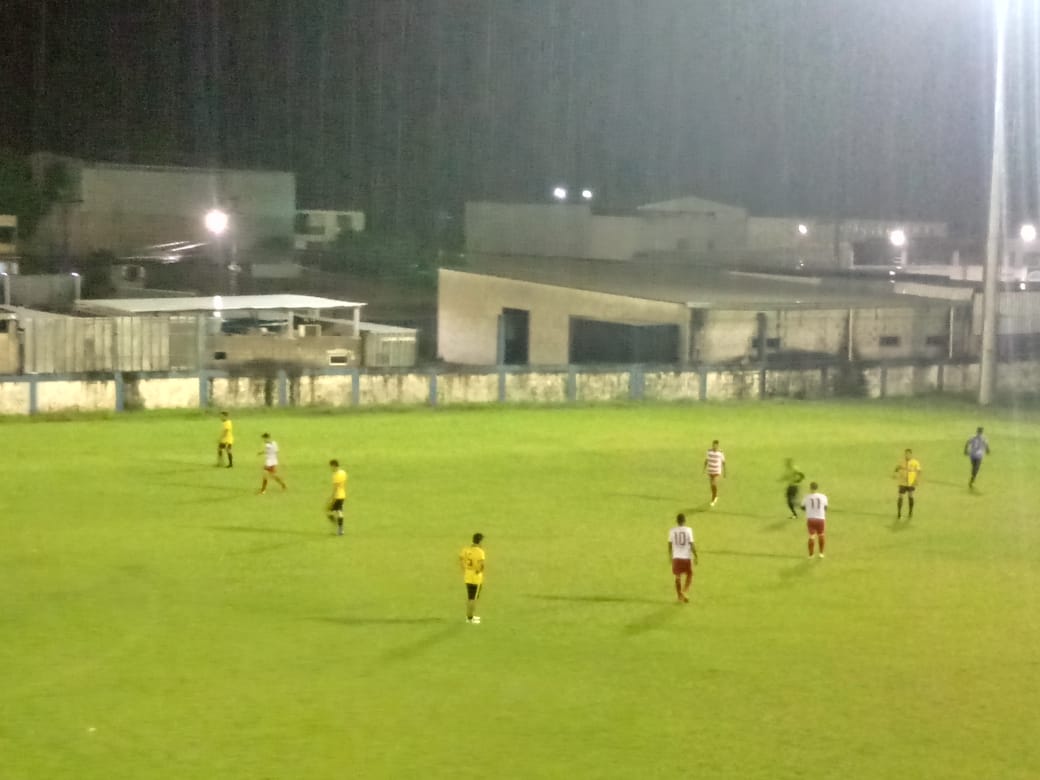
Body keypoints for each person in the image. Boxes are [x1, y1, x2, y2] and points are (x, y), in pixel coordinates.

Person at [668, 513, 698, 603]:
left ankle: (679, 596)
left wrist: (670, 555)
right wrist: (696, 555)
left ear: (677, 521)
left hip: (676, 557)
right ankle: (684, 592)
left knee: (678, 576)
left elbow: (669, 545)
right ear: (685, 521)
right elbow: (691, 544)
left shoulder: (672, 531)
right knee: (690, 574)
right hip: (686, 557)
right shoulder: (689, 530)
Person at [459, 533, 486, 624]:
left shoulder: (466, 549)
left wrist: (464, 570)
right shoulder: (480, 552)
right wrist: (479, 571)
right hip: (476, 578)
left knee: (470, 597)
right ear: (480, 541)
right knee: (473, 599)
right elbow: (481, 565)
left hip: (467, 576)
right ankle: (470, 618)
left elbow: (461, 559)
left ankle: (469, 616)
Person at [801, 481, 828, 558]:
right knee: (821, 535)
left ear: (810, 488)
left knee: (812, 536)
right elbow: (825, 507)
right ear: (817, 488)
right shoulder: (823, 496)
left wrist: (809, 510)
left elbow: (803, 507)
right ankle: (821, 553)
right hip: (821, 518)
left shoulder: (806, 497)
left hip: (811, 519)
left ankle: (811, 555)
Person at [894, 448, 921, 520]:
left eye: (908, 454)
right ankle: (899, 513)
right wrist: (896, 471)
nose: (907, 455)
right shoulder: (901, 462)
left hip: (911, 482)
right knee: (900, 497)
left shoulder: (915, 462)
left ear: (911, 454)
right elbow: (896, 469)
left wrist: (916, 480)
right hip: (902, 482)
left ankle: (910, 511)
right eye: (906, 454)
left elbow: (918, 471)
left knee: (910, 496)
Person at [327, 459, 348, 536]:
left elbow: (335, 488)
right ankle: (340, 528)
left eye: (331, 467)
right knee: (339, 511)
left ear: (334, 466)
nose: (331, 468)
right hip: (343, 495)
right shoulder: (343, 472)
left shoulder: (335, 475)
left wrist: (331, 497)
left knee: (329, 511)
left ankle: (338, 526)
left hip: (337, 496)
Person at [703, 440, 726, 507]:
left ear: (718, 446)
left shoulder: (720, 452)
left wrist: (724, 472)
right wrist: (704, 468)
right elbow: (706, 460)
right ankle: (715, 495)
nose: (714, 446)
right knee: (712, 486)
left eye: (716, 445)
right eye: (713, 445)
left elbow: (723, 462)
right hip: (710, 471)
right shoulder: (709, 451)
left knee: (714, 484)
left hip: (716, 471)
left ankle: (713, 499)